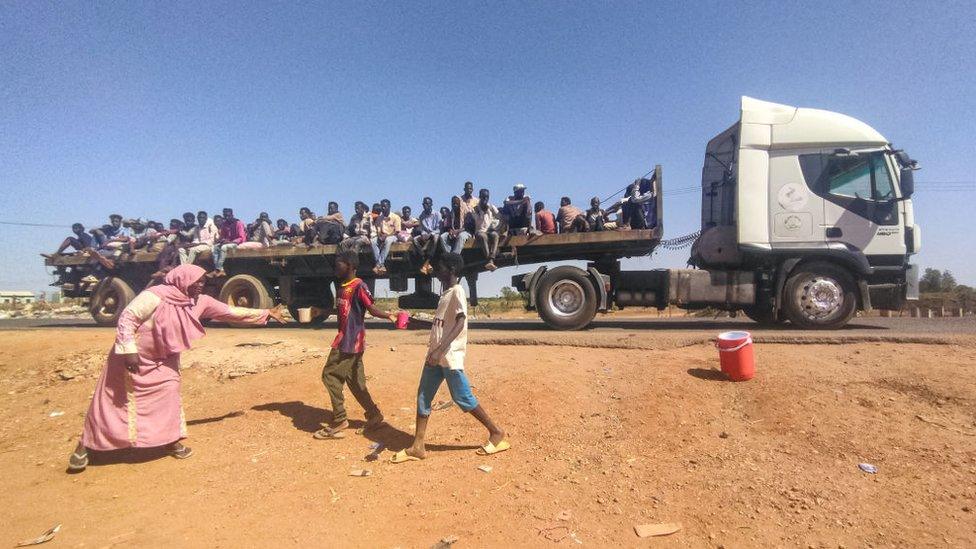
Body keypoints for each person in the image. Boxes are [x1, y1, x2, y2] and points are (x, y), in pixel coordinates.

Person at [66, 265, 286, 472]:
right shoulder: (155, 295)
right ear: (183, 279)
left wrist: (266, 313)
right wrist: (129, 350)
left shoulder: (199, 301)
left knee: (169, 398)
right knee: (112, 403)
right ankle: (86, 446)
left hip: (164, 360)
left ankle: (170, 442)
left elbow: (230, 311)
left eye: (203, 282)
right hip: (130, 359)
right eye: (197, 281)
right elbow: (127, 318)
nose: (201, 286)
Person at [390, 253, 509, 464]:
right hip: (435, 356)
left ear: (452, 269)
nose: (435, 271)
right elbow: (443, 324)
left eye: (439, 267)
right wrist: (418, 323)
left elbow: (461, 322)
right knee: (423, 397)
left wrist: (440, 350)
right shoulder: (445, 294)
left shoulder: (457, 291)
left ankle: (497, 433)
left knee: (463, 397)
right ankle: (418, 446)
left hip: (448, 356)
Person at [313, 251, 398, 440]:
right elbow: (341, 308)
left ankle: (339, 419)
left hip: (349, 341)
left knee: (330, 375)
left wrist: (389, 316)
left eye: (339, 264)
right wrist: (321, 310)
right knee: (356, 382)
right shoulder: (342, 287)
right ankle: (374, 415)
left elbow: (371, 308)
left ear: (350, 266)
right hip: (348, 340)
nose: (336, 267)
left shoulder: (359, 285)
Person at [471, 188, 500, 271]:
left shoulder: (491, 207)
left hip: (490, 231)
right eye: (483, 197)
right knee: (483, 237)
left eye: (487, 197)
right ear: (480, 197)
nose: (485, 199)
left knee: (495, 235)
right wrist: (483, 211)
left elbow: (501, 218)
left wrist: (497, 228)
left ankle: (491, 259)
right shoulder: (475, 209)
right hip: (480, 231)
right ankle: (489, 260)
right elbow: (477, 221)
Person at [212, 208, 246, 276]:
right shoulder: (224, 224)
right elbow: (222, 237)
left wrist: (230, 242)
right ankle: (219, 269)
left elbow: (241, 238)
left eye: (228, 216)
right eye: (225, 216)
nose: (227, 217)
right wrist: (222, 240)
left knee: (224, 247)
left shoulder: (238, 223)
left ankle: (218, 269)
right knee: (215, 248)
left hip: (237, 243)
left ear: (232, 215)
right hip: (228, 242)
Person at [371, 199, 401, 275]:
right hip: (382, 236)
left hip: (393, 236)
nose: (383, 208)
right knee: (373, 241)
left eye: (385, 206)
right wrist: (380, 236)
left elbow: (397, 231)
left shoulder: (396, 217)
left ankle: (379, 264)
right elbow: (377, 230)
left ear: (389, 206)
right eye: (382, 206)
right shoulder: (379, 218)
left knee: (388, 240)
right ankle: (381, 265)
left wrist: (387, 235)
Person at [413, 197, 441, 275]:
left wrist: (431, 234)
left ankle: (427, 261)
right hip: (426, 235)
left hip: (435, 233)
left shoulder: (437, 214)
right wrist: (423, 234)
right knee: (415, 239)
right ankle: (423, 256)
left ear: (431, 204)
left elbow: (439, 229)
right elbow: (422, 228)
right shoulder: (421, 215)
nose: (426, 205)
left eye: (427, 203)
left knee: (435, 238)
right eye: (424, 204)